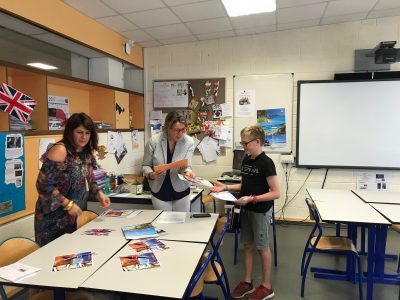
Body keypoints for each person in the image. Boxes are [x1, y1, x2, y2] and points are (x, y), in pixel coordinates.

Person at [211, 124, 280, 300]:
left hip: (260, 211)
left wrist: (252, 198)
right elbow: (245, 185)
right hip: (247, 209)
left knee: (262, 247)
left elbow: (276, 192)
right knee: (247, 245)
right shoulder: (247, 160)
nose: (243, 147)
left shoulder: (266, 163)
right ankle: (247, 282)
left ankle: (266, 286)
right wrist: (225, 186)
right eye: (242, 143)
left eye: (245, 143)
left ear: (257, 141)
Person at [34, 112, 110, 246]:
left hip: (74, 212)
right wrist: (67, 204)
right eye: (79, 132)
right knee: (54, 256)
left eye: (87, 133)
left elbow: (90, 176)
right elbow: (43, 185)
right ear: (70, 132)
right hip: (53, 216)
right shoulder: (61, 150)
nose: (84, 137)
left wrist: (99, 193)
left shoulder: (85, 151)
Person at [142, 111, 196, 212]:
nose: (180, 134)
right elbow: (146, 165)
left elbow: (187, 165)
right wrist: (151, 174)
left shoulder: (189, 141)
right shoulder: (154, 141)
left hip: (181, 189)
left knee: (181, 223)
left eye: (183, 129)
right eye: (176, 130)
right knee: (163, 225)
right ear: (167, 127)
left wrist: (188, 172)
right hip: (160, 190)